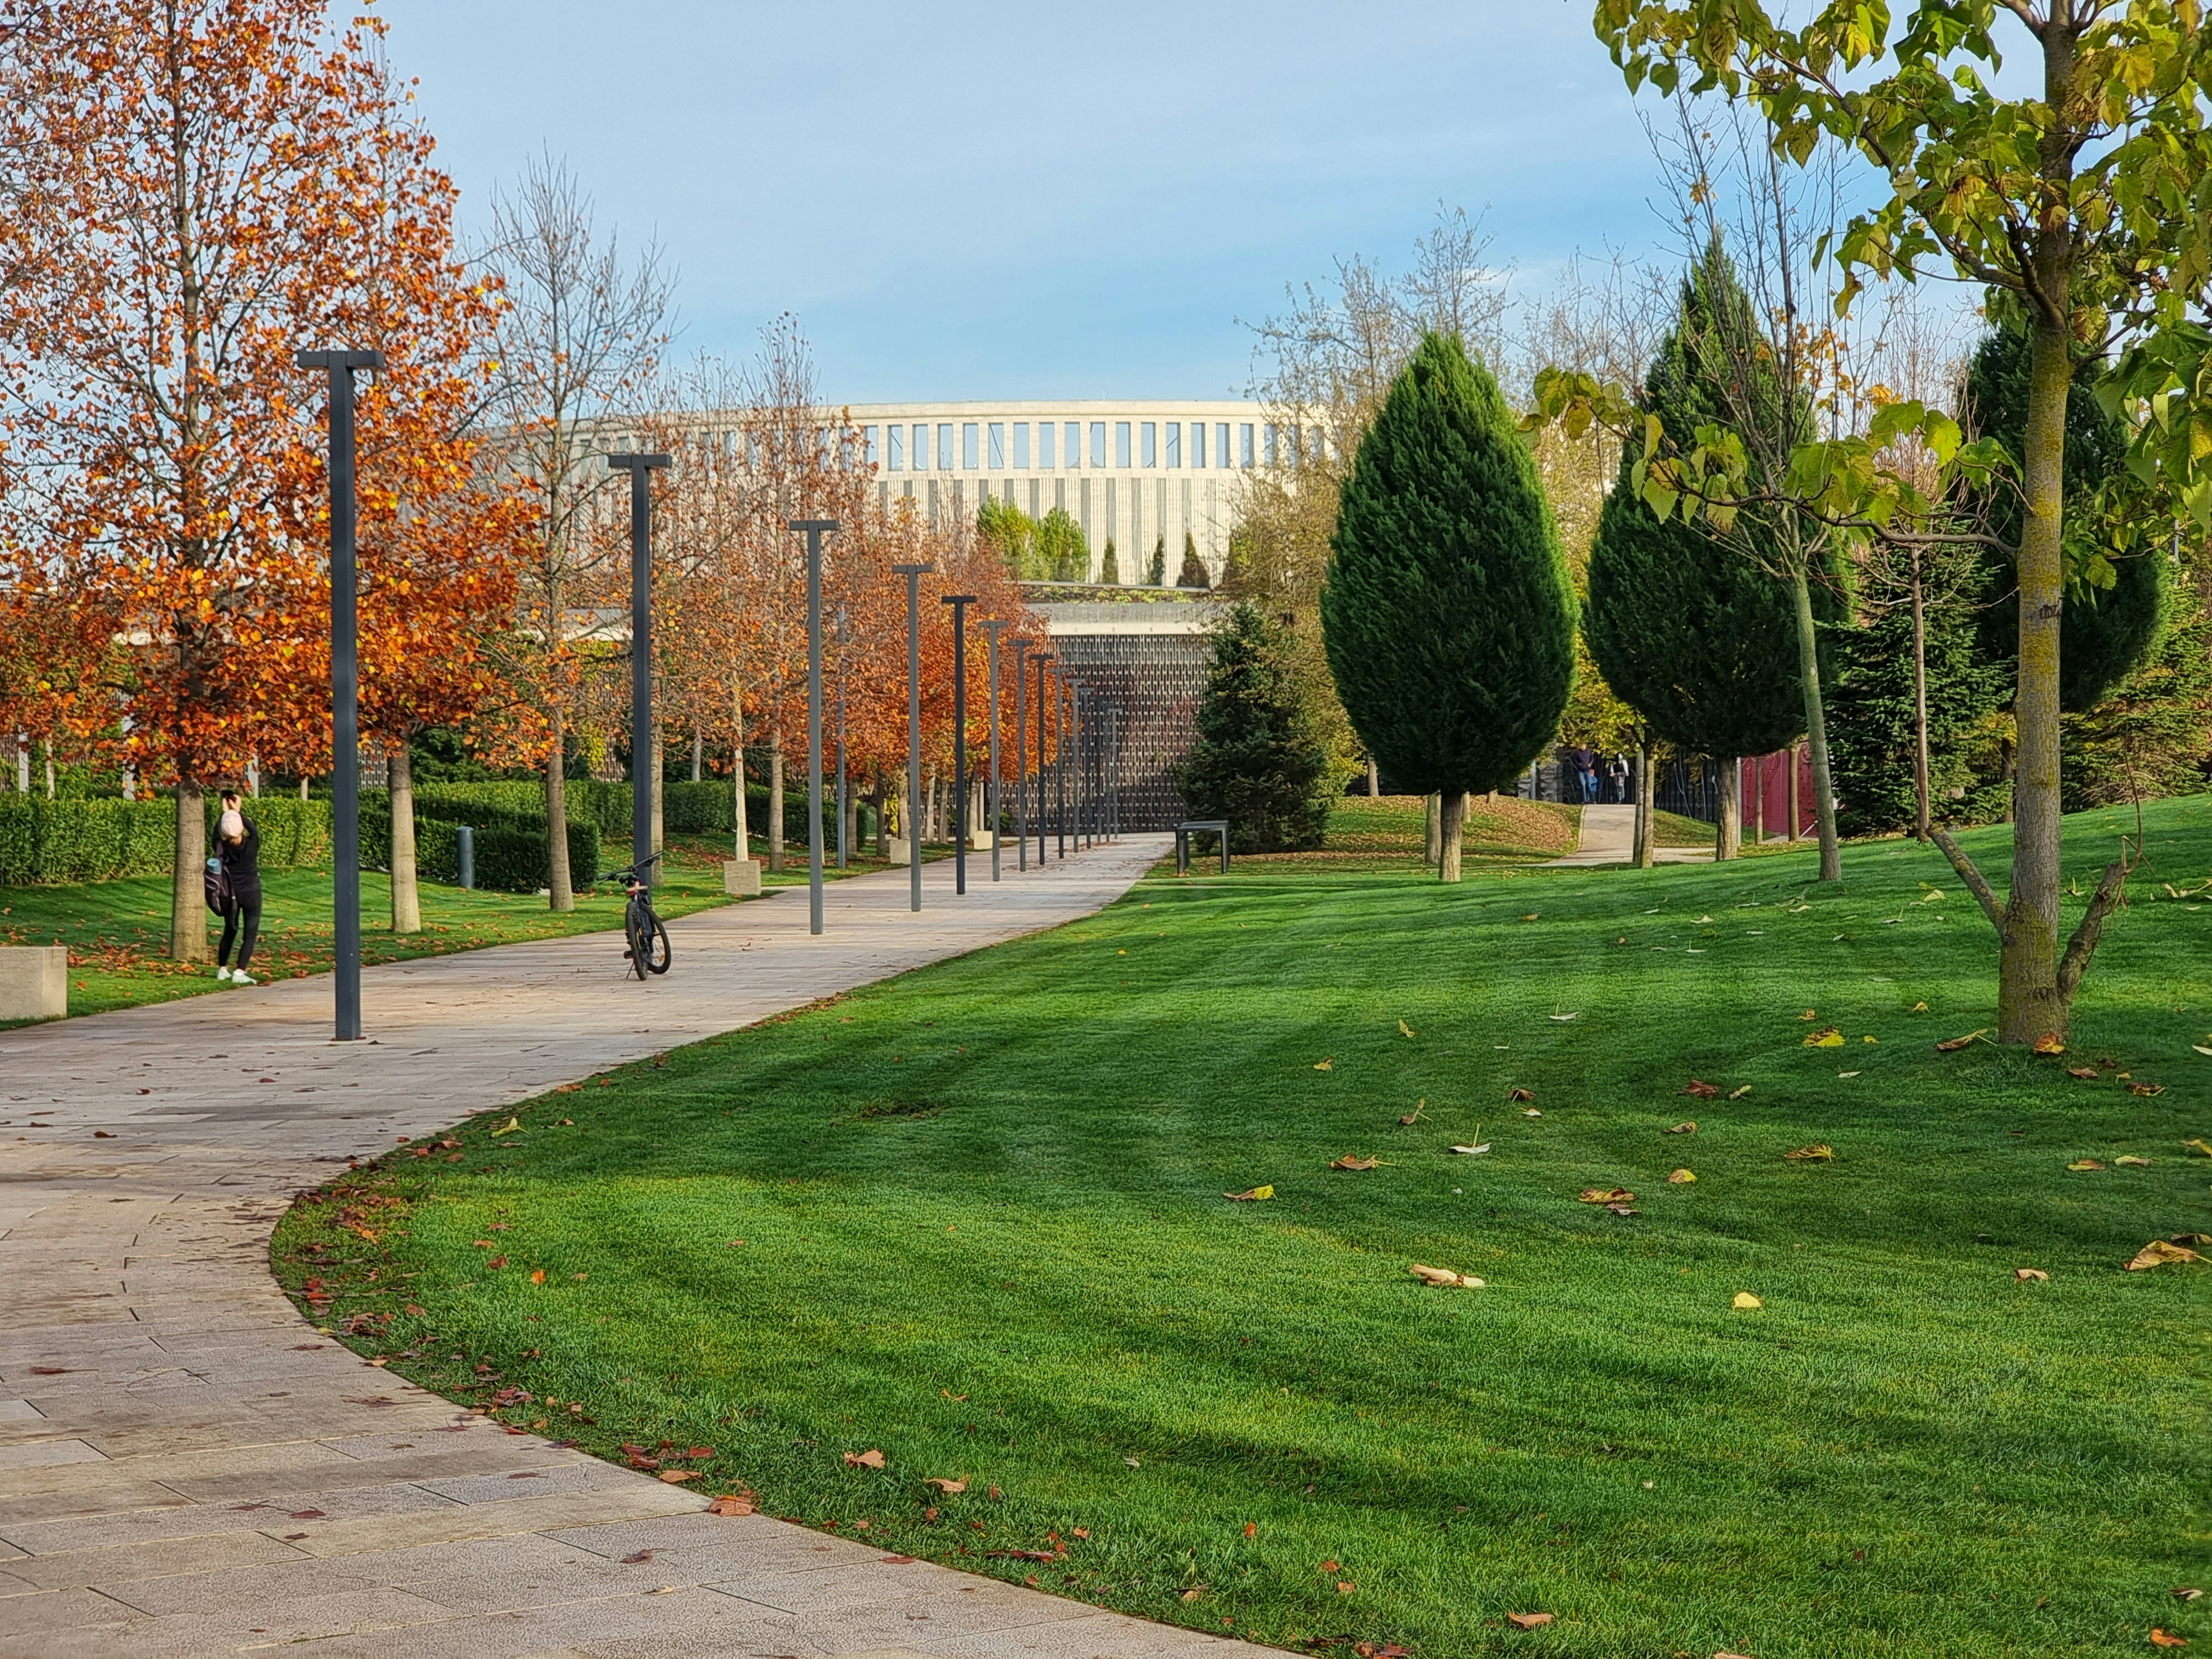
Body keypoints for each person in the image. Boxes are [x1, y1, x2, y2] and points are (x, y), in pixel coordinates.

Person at [213, 788, 262, 986]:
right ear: (241, 828)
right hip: (251, 892)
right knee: (250, 933)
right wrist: (237, 812)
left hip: (230, 894)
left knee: (230, 930)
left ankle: (223, 968)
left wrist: (225, 814)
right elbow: (255, 830)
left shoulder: (221, 847)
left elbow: (216, 834)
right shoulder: (252, 844)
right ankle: (240, 970)